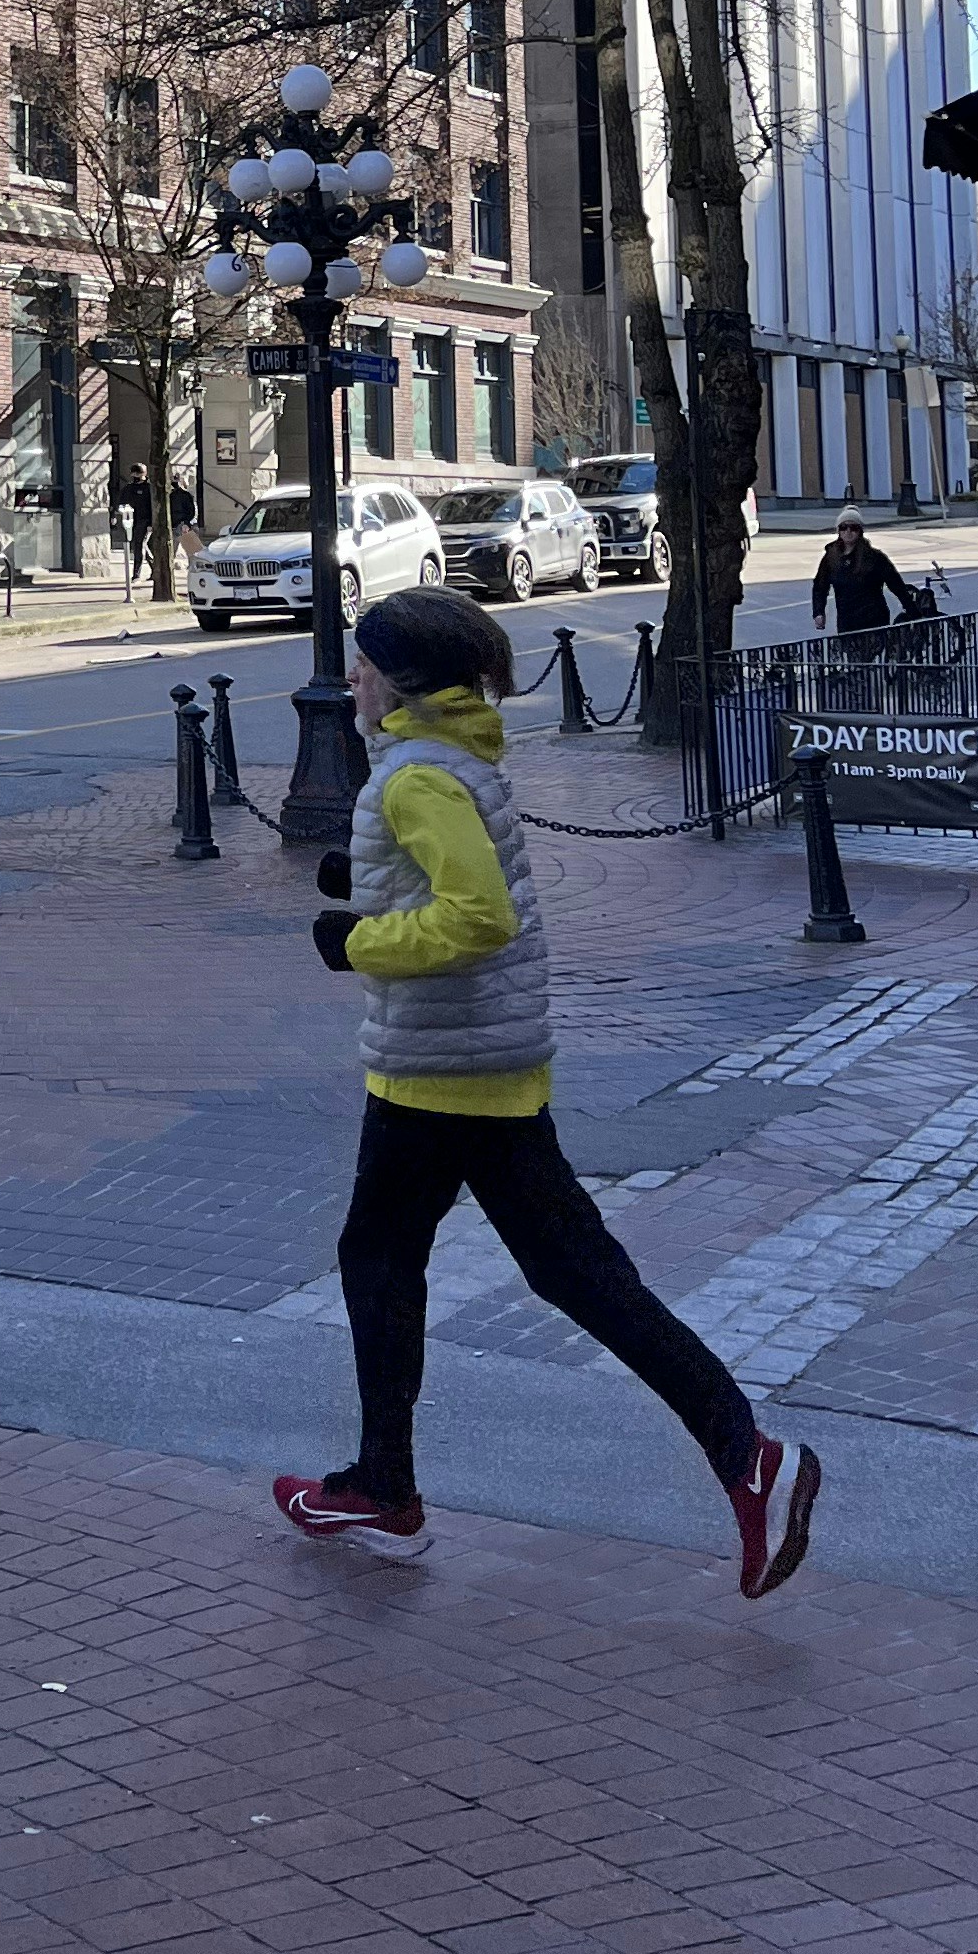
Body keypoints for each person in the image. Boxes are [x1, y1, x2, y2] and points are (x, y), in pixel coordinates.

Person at [276, 581, 820, 1596]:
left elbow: (478, 916)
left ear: (396, 684)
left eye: (361, 660)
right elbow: (458, 873)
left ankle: (388, 1494)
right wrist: (365, 882)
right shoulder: (456, 757)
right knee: (569, 1273)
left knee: (389, 1258)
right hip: (482, 1063)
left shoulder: (414, 777)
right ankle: (740, 1455)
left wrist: (357, 942)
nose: (347, 676)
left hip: (440, 1072)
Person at [812, 506, 912, 635]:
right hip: (846, 620)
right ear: (838, 530)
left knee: (872, 653)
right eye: (843, 527)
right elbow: (820, 586)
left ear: (860, 531)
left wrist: (912, 610)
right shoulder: (831, 557)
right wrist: (819, 612)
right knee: (851, 653)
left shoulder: (874, 557)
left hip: (874, 619)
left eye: (853, 528)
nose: (848, 532)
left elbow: (896, 584)